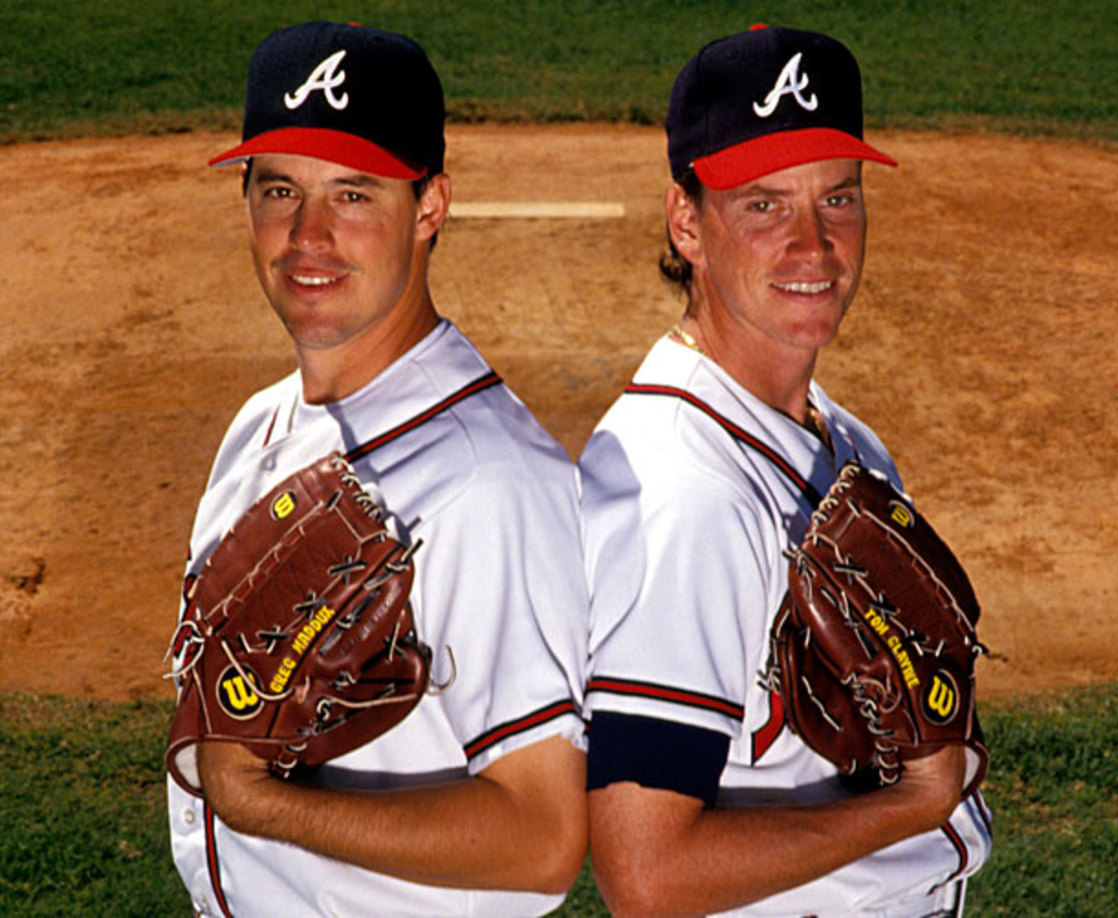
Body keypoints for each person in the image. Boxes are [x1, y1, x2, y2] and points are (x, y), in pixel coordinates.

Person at [165, 21, 587, 917]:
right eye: (280, 189)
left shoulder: (490, 484)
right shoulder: (260, 425)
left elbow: (545, 838)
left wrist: (256, 801)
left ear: (429, 207)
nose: (307, 235)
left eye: (353, 196)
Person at [580, 25, 992, 917]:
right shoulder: (681, 493)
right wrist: (918, 803)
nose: (815, 245)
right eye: (764, 205)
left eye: (837, 200)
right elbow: (645, 876)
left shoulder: (844, 441)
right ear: (686, 222)